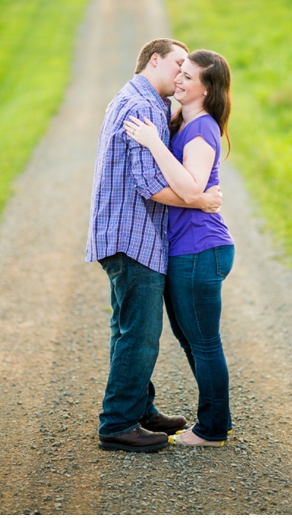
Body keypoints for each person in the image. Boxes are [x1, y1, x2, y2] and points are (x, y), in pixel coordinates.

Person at [86, 38, 223, 453]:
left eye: (189, 70)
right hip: (134, 235)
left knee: (126, 329)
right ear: (155, 60)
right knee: (140, 334)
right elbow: (150, 184)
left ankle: (138, 409)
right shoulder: (145, 106)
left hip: (122, 234)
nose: (182, 73)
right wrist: (201, 198)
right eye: (178, 64)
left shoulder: (135, 98)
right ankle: (119, 423)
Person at [123, 49, 235, 448]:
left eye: (189, 77)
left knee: (204, 343)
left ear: (207, 90)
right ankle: (216, 419)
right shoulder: (180, 123)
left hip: (200, 249)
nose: (180, 80)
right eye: (180, 72)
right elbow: (193, 192)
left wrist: (154, 143)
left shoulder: (202, 128)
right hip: (187, 250)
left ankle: (212, 430)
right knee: (195, 341)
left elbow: (190, 187)